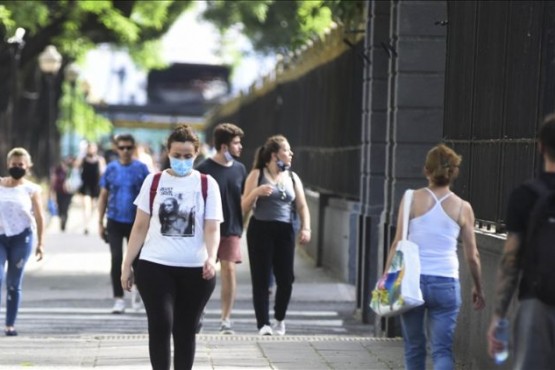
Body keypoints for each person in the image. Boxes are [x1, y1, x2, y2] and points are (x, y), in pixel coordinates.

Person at [121, 124, 222, 370]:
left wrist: (212, 258)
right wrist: (126, 265)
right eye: (177, 155)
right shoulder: (153, 181)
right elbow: (140, 226)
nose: (182, 160)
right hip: (155, 266)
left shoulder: (207, 185)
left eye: (188, 156)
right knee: (161, 324)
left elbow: (212, 228)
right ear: (168, 152)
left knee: (185, 330)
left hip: (196, 269)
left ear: (196, 154)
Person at [380, 144, 485, 369]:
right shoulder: (463, 207)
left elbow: (398, 242)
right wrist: (478, 286)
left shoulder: (410, 199)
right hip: (446, 283)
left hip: (412, 281)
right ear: (454, 172)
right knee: (442, 350)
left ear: (426, 170)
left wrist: (386, 279)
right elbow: (472, 255)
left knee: (414, 347)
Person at [487, 114, 555, 369]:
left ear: (540, 146)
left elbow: (510, 261)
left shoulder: (525, 196)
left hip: (534, 304)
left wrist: (498, 316)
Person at [241, 134, 311, 336]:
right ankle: (263, 324)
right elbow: (244, 206)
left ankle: (279, 318)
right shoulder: (257, 174)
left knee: (286, 278)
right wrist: (256, 193)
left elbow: (302, 206)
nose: (291, 153)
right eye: (286, 150)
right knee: (261, 278)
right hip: (260, 230)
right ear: (274, 155)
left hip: (284, 230)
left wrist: (306, 228)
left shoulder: (292, 177)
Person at [196, 123, 246, 335]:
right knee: (203, 273)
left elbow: (241, 200)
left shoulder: (240, 169)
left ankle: (226, 318)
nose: (240, 147)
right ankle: (198, 311)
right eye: (236, 143)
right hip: (206, 229)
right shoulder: (203, 170)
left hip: (232, 228)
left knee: (230, 269)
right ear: (224, 146)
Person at [98, 134, 150, 314]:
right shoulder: (111, 169)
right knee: (116, 258)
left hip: (136, 222)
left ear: (134, 148)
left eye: (129, 147)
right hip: (114, 219)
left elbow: (150, 196)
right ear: (116, 149)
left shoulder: (142, 168)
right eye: (122, 147)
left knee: (137, 260)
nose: (125, 151)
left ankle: (137, 292)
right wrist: (99, 221)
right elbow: (103, 195)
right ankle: (118, 298)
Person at [0, 148, 45, 336]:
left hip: (22, 237)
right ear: (8, 164)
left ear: (28, 167)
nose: (17, 167)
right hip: (1, 237)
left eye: (21, 165)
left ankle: (10, 324)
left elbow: (40, 217)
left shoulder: (31, 189)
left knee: (13, 283)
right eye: (14, 164)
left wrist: (40, 243)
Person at [76, 142, 106, 235]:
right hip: (86, 185)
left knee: (94, 207)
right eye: (89, 148)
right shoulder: (83, 159)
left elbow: (103, 172)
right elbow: (75, 167)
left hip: (96, 185)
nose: (91, 150)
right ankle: (86, 226)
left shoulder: (100, 159)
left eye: (93, 148)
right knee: (86, 205)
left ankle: (89, 222)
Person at [50, 156, 74, 231]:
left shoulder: (72, 170)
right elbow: (53, 180)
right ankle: (61, 218)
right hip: (59, 191)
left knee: (66, 208)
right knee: (60, 207)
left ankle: (64, 221)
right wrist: (52, 191)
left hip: (69, 192)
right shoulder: (58, 170)